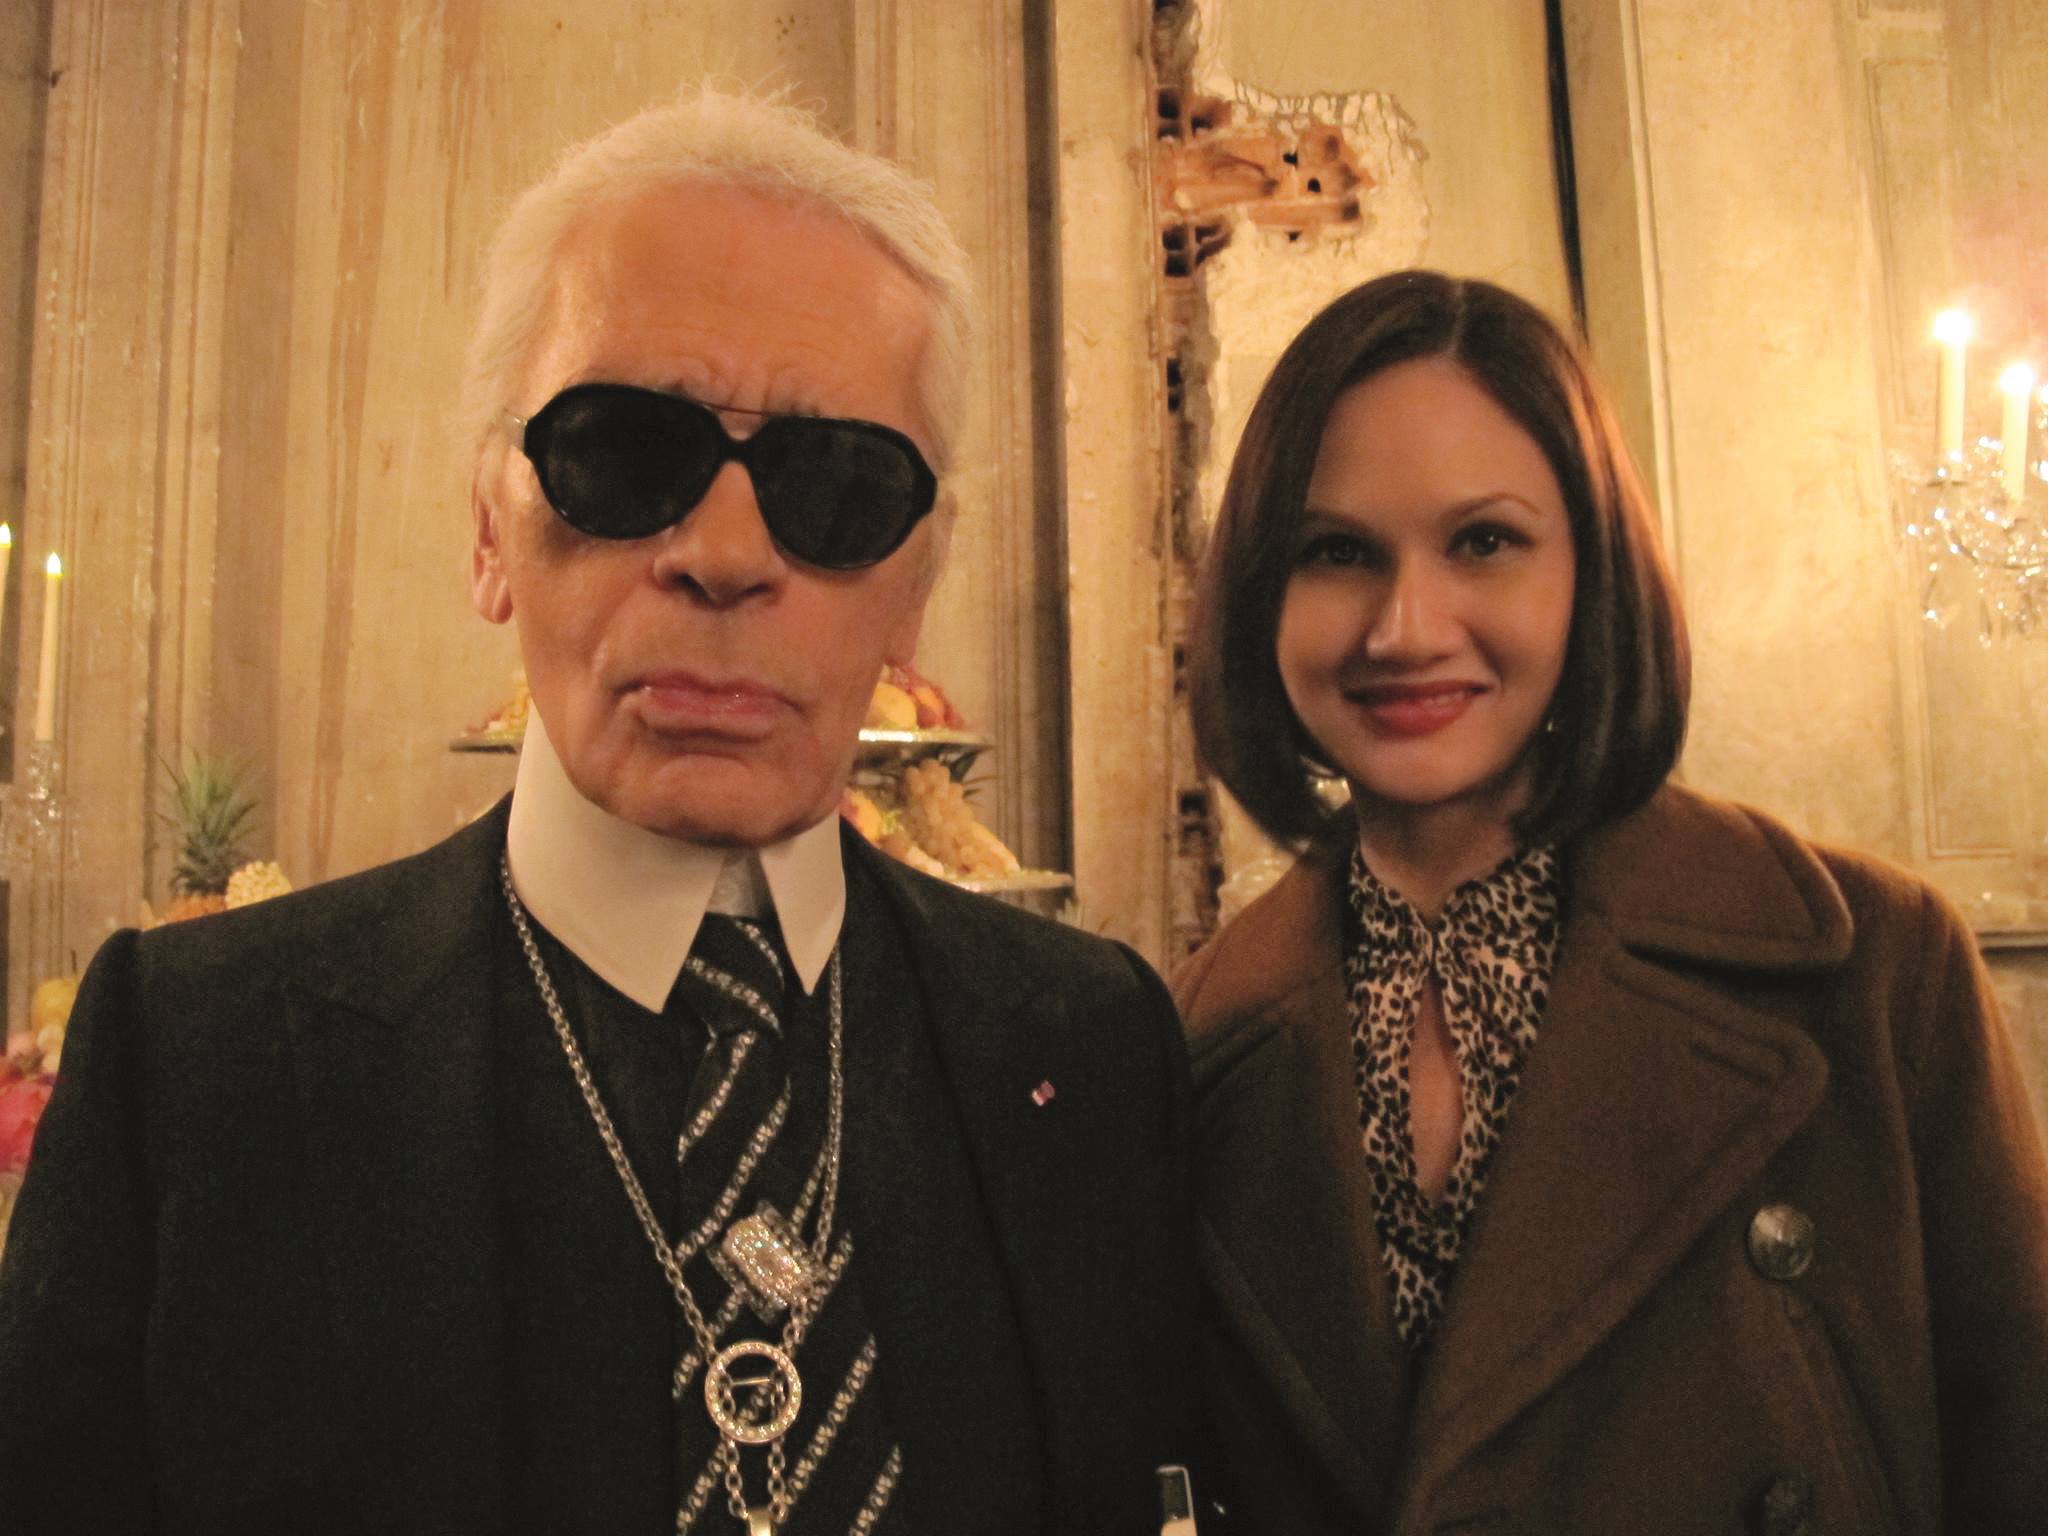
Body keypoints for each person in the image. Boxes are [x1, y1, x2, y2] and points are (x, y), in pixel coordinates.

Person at [0, 89, 1201, 1535]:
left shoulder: (1090, 1046)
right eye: (625, 455)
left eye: (834, 483)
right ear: (488, 532)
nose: (726, 553)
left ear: (915, 585)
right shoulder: (196, 1068)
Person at [1177, 269, 2048, 1535]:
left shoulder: (1875, 967)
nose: (1403, 627)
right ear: (1262, 595)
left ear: (1591, 572)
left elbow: (2017, 1450)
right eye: (1336, 553)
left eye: (1483, 542)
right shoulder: (1186, 1043)